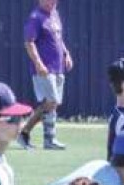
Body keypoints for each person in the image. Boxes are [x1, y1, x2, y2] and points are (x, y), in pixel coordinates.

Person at [18, 0, 73, 150]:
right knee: (50, 101)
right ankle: (26, 133)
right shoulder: (36, 17)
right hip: (44, 68)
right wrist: (38, 63)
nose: (52, 2)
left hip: (58, 67)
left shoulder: (54, 14)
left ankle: (46, 139)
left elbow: (58, 39)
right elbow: (29, 42)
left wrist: (66, 54)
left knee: (52, 104)